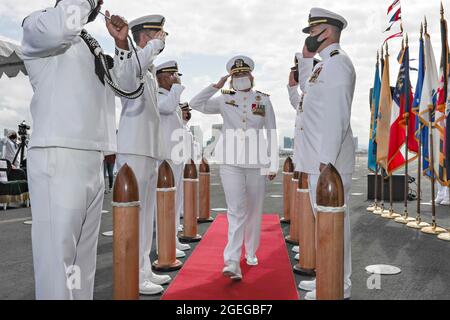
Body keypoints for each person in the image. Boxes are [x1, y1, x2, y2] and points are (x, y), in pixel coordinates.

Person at [21, 0, 133, 299]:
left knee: (81, 266)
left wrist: (121, 45)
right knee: (58, 264)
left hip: (92, 156)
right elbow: (61, 29)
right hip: (59, 153)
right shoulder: (39, 24)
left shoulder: (88, 43)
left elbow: (127, 88)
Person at [190, 56, 278, 281]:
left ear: (251, 76)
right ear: (231, 79)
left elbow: (272, 132)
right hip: (230, 162)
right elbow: (195, 104)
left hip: (257, 163)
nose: (240, 79)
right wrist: (215, 86)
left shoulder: (264, 100)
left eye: (243, 75)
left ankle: (250, 252)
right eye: (236, 76)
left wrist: (273, 163)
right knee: (236, 210)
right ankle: (231, 260)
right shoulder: (223, 99)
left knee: (254, 210)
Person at [288, 8, 356, 300]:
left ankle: (338, 286)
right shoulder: (322, 66)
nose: (310, 37)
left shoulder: (338, 65)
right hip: (319, 161)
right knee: (323, 226)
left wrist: (325, 163)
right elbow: (306, 90)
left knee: (334, 227)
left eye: (313, 32)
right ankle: (326, 277)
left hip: (329, 164)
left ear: (326, 32)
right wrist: (304, 59)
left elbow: (337, 116)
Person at [116, 15, 175, 296]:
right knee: (134, 217)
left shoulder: (149, 70)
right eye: (158, 34)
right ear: (143, 36)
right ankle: (133, 275)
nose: (163, 39)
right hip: (133, 151)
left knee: (146, 216)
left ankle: (143, 268)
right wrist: (151, 48)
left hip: (148, 150)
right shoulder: (131, 62)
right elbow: (127, 80)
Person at [156, 61, 191, 251]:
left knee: (176, 201)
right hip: (165, 158)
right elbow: (167, 108)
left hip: (175, 157)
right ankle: (165, 243)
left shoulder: (171, 97)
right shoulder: (159, 96)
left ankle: (172, 238)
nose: (175, 78)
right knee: (166, 203)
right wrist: (177, 88)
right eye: (172, 75)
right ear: (160, 77)